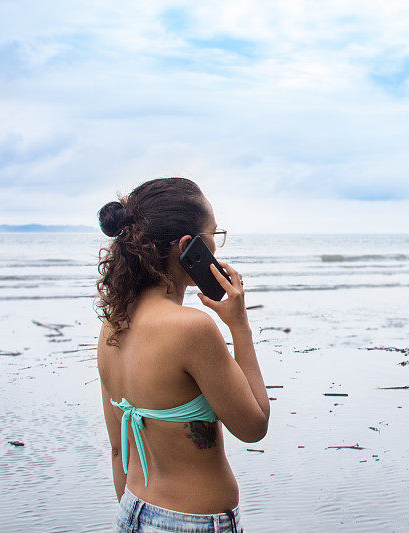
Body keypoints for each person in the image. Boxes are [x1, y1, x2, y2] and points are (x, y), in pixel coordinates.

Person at [95, 177, 270, 532]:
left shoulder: (113, 327)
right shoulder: (192, 329)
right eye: (214, 236)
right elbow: (254, 426)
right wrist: (240, 327)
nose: (217, 249)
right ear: (188, 246)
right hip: (191, 521)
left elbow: (118, 450)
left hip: (132, 509)